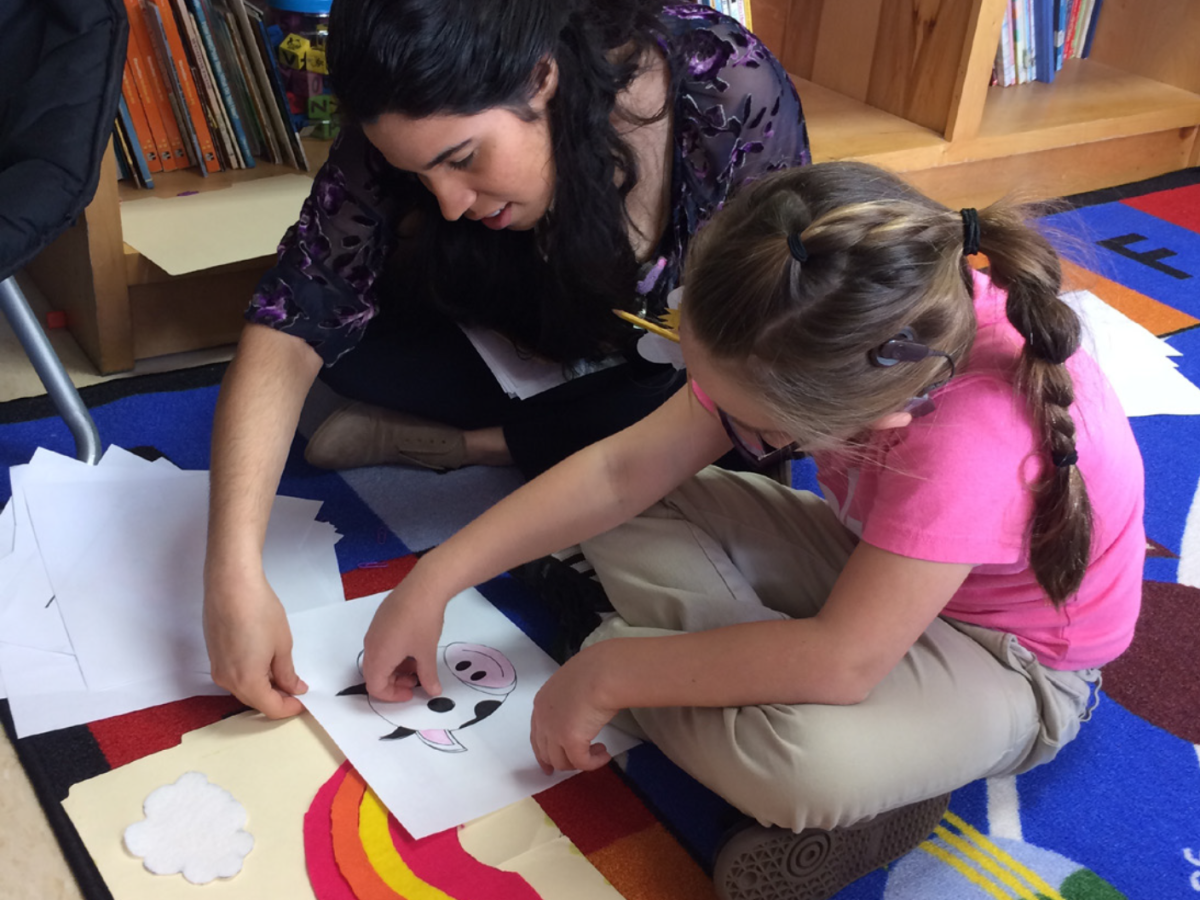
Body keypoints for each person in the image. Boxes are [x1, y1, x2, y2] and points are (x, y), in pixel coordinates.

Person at [356, 161, 1145, 899]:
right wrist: (434, 578)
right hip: (872, 568)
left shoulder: (973, 446)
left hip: (1008, 663)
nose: (721, 419)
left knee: (805, 765)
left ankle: (841, 750)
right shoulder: (818, 309)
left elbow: (842, 662)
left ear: (883, 415)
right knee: (637, 502)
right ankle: (720, 671)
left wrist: (609, 676)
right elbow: (620, 474)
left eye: (755, 425)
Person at [202, 0, 810, 717]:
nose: (451, 201)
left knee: (726, 419)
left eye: (463, 160)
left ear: (542, 75)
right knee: (337, 352)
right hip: (525, 326)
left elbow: (772, 341)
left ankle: (482, 445)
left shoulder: (724, 85)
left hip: (670, 358)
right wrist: (232, 572)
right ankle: (524, 431)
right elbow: (297, 308)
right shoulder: (410, 111)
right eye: (420, 175)